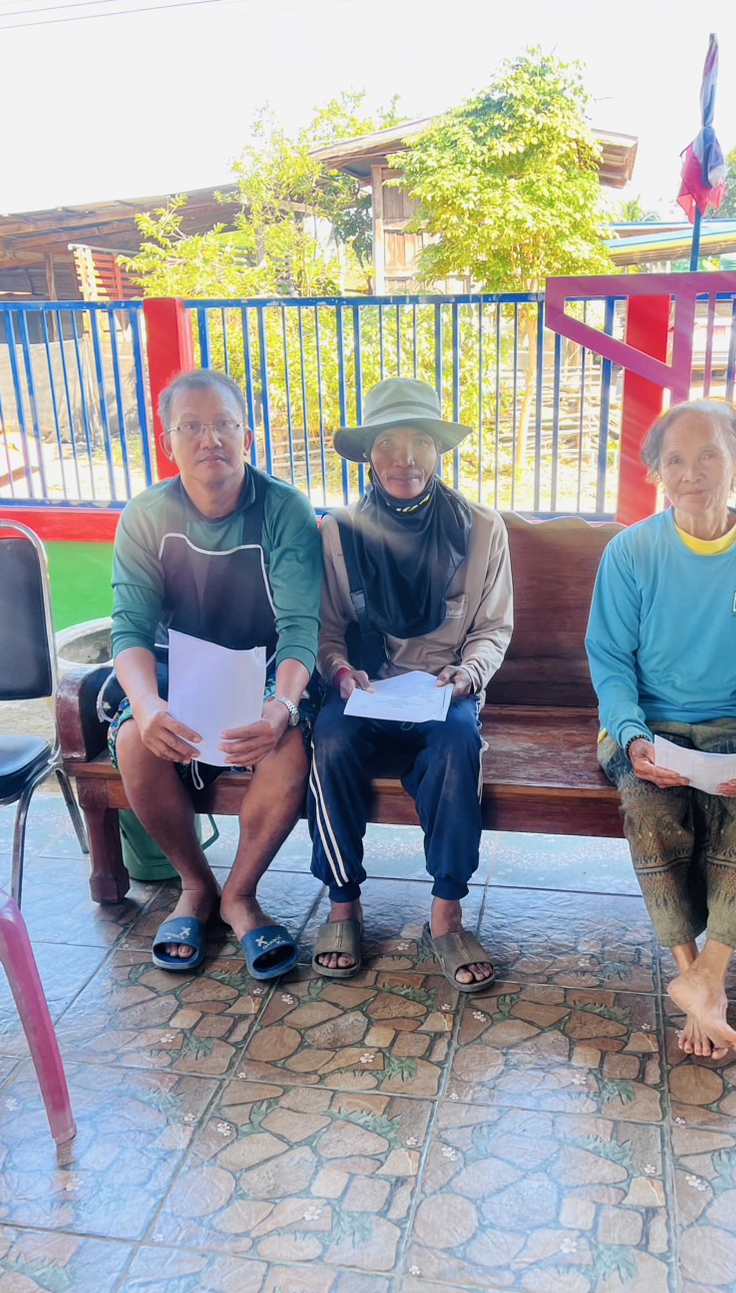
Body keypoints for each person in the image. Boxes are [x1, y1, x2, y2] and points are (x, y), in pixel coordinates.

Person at [586, 399, 736, 1060]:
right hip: (648, 725)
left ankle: (707, 977)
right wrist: (632, 736)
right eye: (675, 459)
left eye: (709, 454)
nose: (692, 472)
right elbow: (610, 661)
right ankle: (696, 978)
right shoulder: (631, 552)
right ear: (656, 472)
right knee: (651, 807)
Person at [109, 369, 321, 977]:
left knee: (286, 744)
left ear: (247, 437)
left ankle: (240, 895)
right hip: (179, 672)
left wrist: (281, 708)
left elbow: (301, 627)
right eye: (192, 427)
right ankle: (197, 885)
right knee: (134, 738)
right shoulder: (146, 515)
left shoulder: (283, 508)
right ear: (167, 441)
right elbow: (129, 629)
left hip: (268, 672)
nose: (211, 440)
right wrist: (147, 704)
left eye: (224, 424)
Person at [308, 378, 513, 990]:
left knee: (458, 744)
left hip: (445, 690)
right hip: (367, 690)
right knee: (328, 741)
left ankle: (447, 911)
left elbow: (492, 628)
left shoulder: (482, 529)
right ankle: (342, 903)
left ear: (439, 450)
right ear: (369, 456)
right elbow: (327, 631)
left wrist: (466, 674)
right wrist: (340, 671)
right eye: (388, 444)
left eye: (420, 442)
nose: (406, 459)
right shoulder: (339, 532)